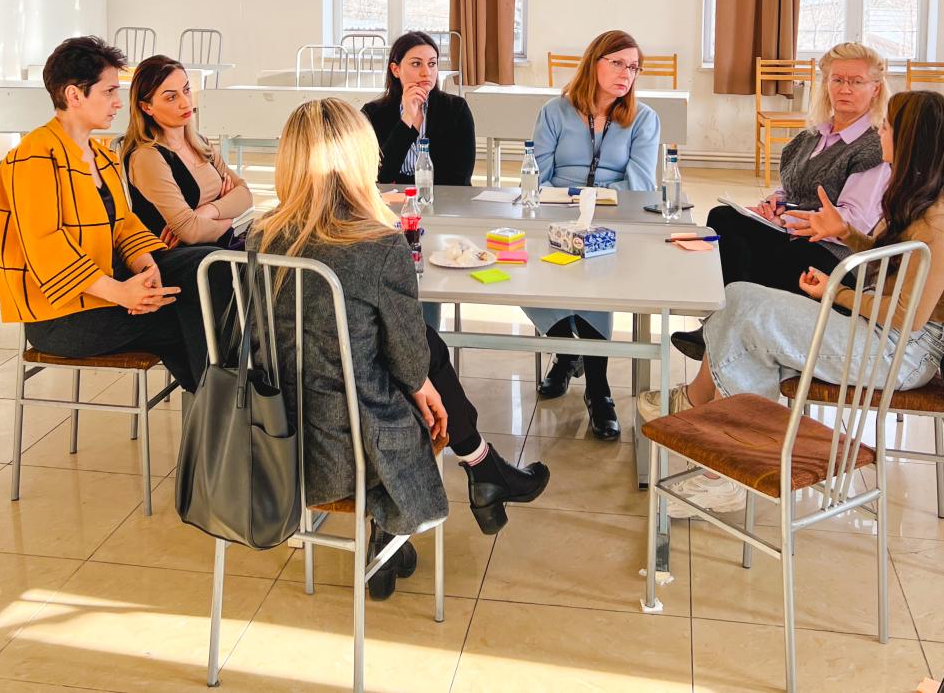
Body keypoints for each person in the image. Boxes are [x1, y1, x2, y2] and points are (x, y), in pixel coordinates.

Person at [252, 98, 549, 600]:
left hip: (274, 437)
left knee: (404, 357)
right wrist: (421, 385)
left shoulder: (260, 237)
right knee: (420, 361)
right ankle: (463, 479)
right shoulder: (378, 245)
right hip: (355, 453)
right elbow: (409, 361)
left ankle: (465, 484)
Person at [650, 90, 944, 512]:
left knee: (746, 312)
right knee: (741, 304)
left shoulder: (940, 220)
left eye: (888, 126)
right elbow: (889, 266)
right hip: (883, 332)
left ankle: (728, 459)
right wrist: (844, 233)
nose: (881, 132)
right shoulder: (919, 196)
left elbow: (907, 318)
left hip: (901, 352)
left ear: (913, 140)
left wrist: (835, 291)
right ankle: (736, 464)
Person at [0, 36, 225, 392]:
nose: (119, 102)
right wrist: (121, 294)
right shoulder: (34, 155)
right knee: (197, 318)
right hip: (62, 317)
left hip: (106, 291)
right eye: (110, 91)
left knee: (214, 265)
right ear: (74, 95)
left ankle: (222, 411)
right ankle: (224, 415)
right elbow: (46, 245)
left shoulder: (101, 156)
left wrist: (148, 272)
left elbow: (125, 227)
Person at [666, 42, 891, 368]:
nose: (844, 89)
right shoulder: (815, 135)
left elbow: (852, 221)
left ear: (875, 88)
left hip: (831, 260)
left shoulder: (873, 146)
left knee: (737, 237)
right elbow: (791, 186)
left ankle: (719, 329)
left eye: (856, 81)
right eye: (837, 80)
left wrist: (786, 218)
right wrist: (773, 204)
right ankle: (721, 325)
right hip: (794, 237)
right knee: (724, 219)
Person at [527, 30, 662, 441]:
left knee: (596, 278)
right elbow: (536, 174)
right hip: (553, 212)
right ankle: (568, 352)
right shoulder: (554, 111)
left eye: (633, 67)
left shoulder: (644, 119)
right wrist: (564, 201)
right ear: (594, 63)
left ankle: (598, 388)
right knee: (521, 271)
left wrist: (591, 199)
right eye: (617, 63)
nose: (626, 74)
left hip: (613, 217)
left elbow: (639, 184)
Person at [122, 55, 253, 249]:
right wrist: (228, 214)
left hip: (220, 248)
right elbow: (190, 231)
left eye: (186, 90)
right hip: (187, 261)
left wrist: (207, 211)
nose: (185, 103)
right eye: (171, 97)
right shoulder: (147, 157)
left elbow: (245, 196)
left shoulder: (200, 143)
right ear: (146, 107)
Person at [361, 31, 476, 187]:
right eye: (416, 64)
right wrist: (407, 119)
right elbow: (380, 175)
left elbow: (459, 178)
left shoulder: (456, 109)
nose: (426, 72)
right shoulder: (372, 113)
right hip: (389, 203)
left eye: (432, 64)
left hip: (444, 201)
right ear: (395, 70)